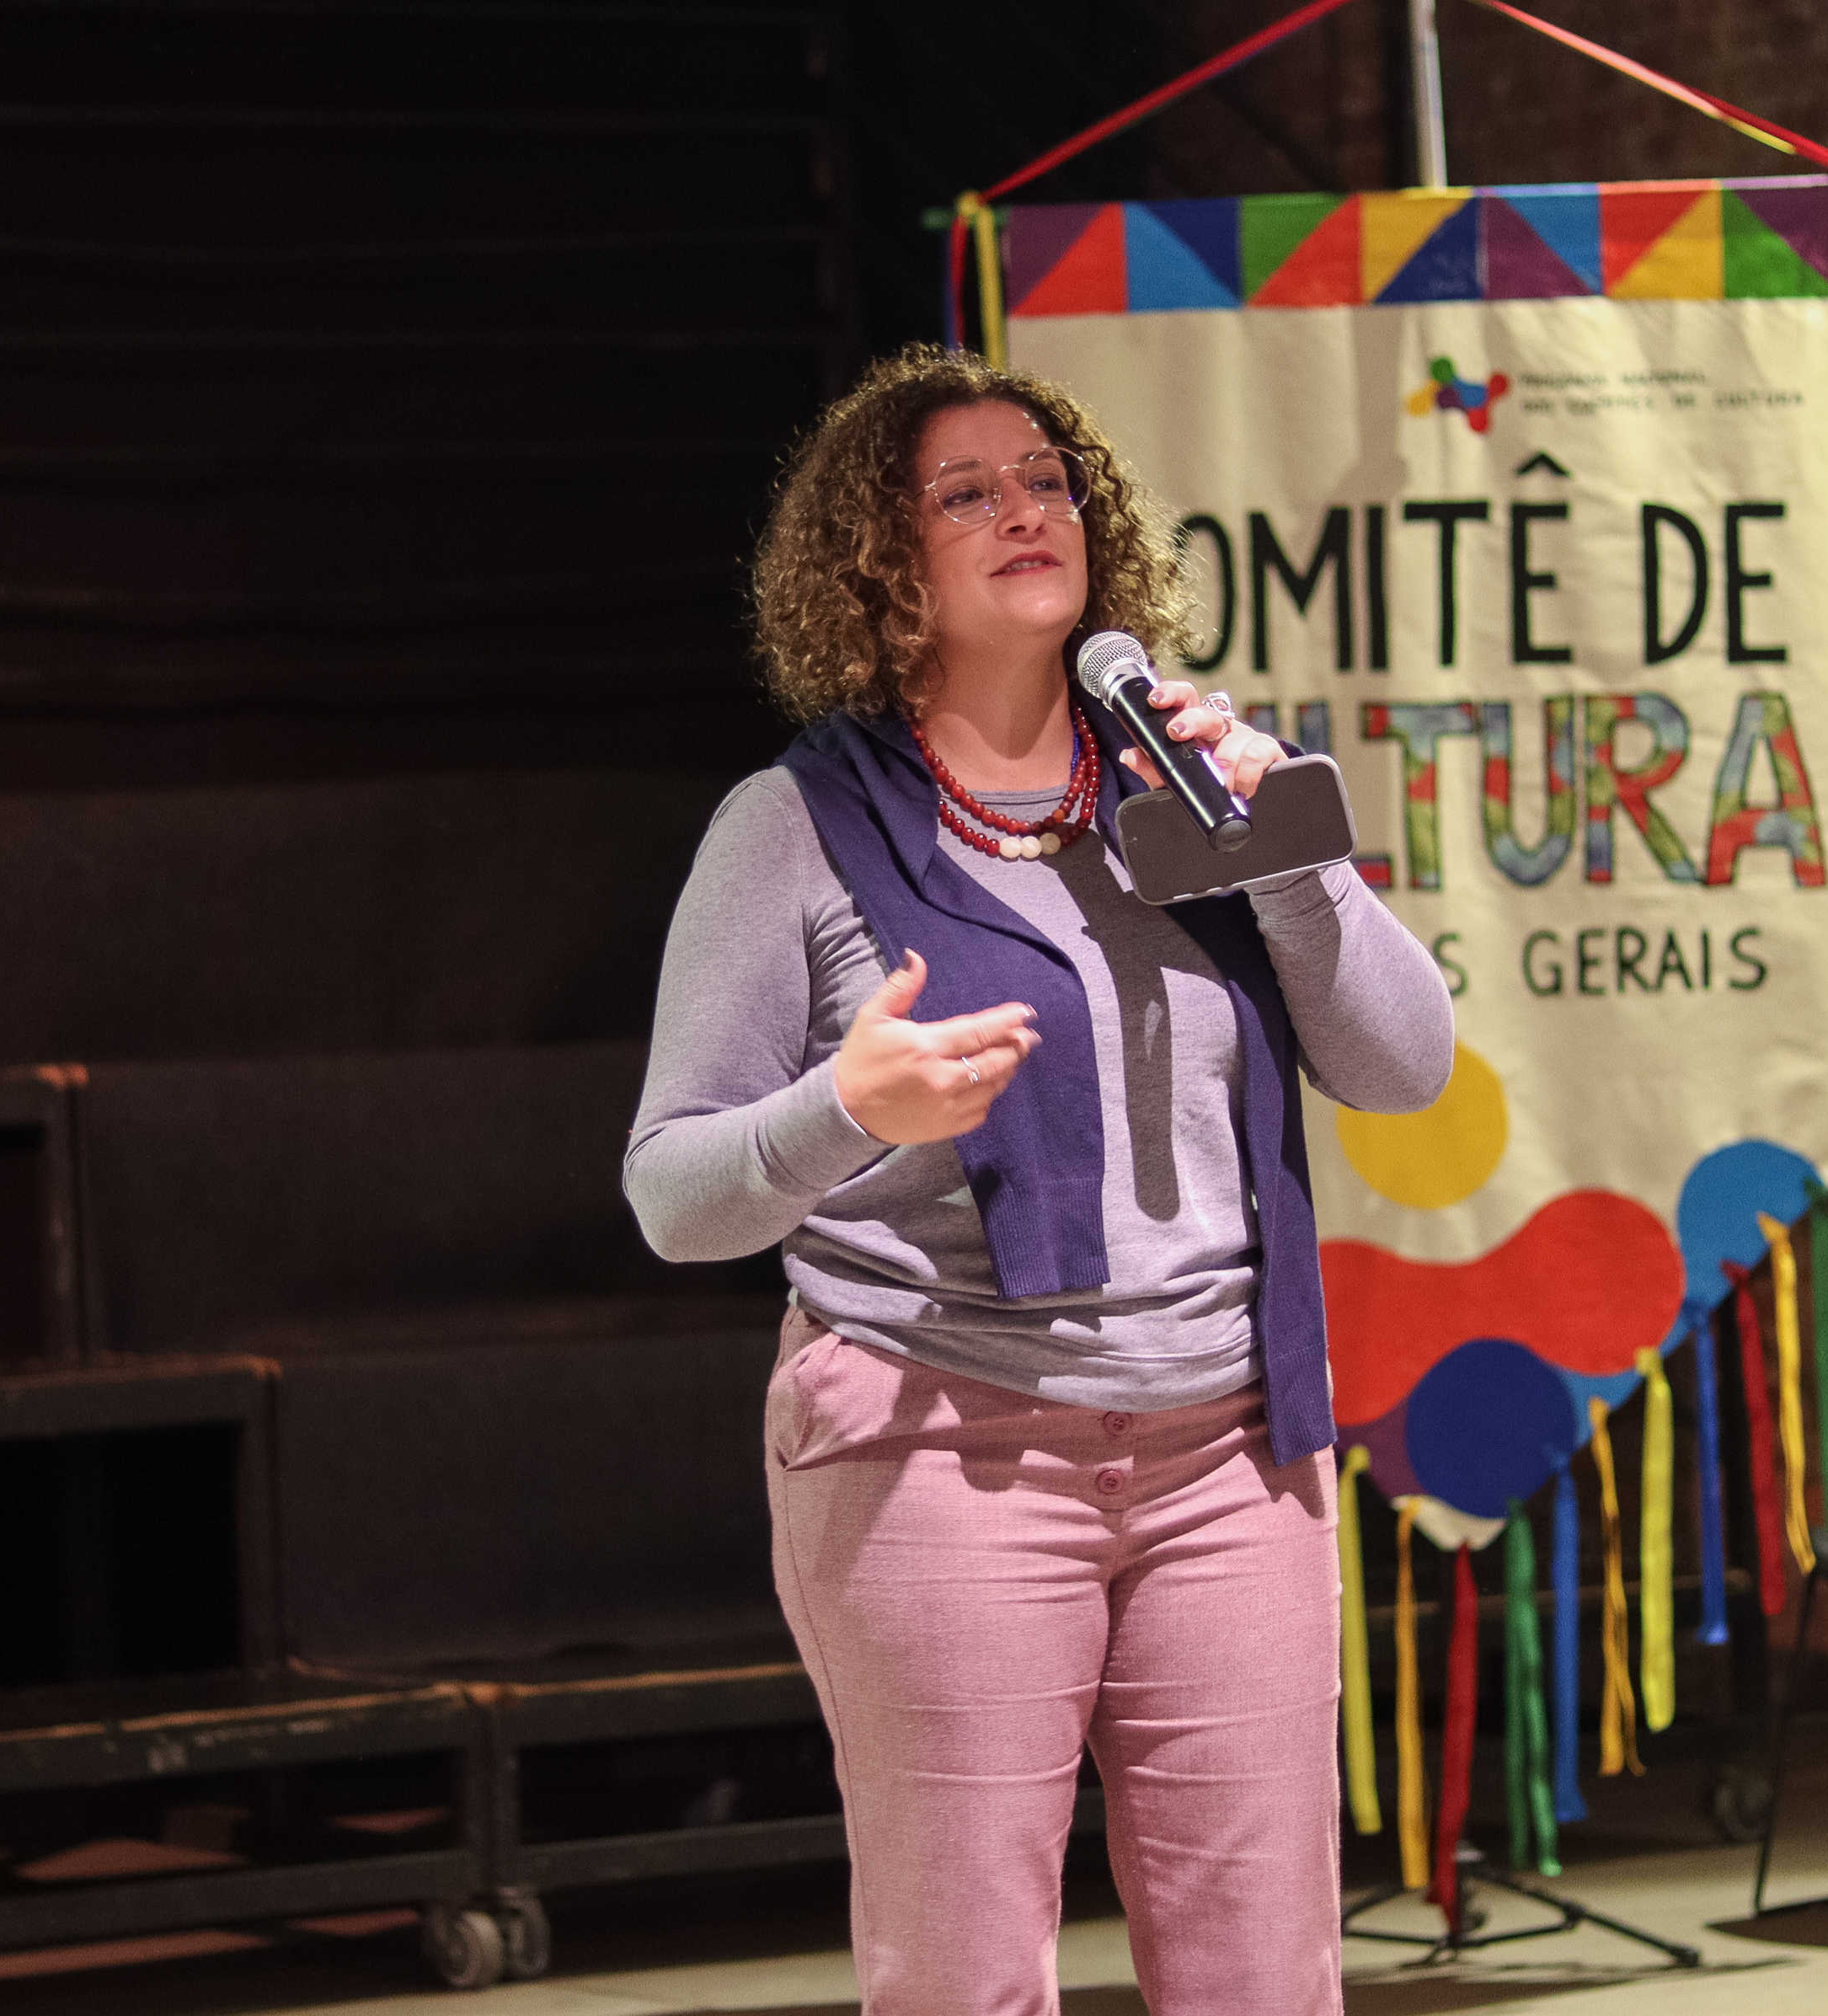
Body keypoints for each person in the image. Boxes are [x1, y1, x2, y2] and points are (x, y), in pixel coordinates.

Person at [624, 345, 1454, 2016]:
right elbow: (672, 1193)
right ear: (881, 562)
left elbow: (1402, 1067)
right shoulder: (789, 830)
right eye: (966, 492)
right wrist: (843, 1111)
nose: (1025, 510)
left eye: (1047, 481)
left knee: (1265, 1982)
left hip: (1232, 1449)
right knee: (966, 1983)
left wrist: (1288, 859)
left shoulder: (1188, 781)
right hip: (941, 1446)